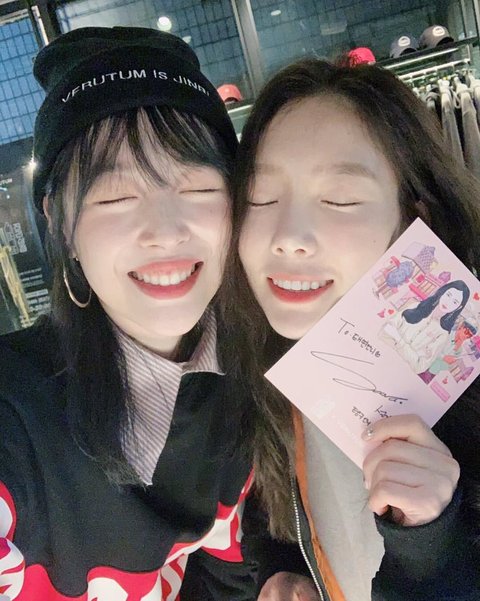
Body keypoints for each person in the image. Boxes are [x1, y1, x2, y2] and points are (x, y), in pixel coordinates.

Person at [0, 26, 308, 601]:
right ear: (59, 223)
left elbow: (224, 563)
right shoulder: (19, 416)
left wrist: (275, 576)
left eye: (197, 189)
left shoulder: (251, 372)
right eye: (116, 197)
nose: (165, 232)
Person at [229, 58, 480, 600]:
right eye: (260, 198)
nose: (287, 236)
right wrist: (281, 566)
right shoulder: (264, 361)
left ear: (415, 218)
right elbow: (271, 502)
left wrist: (431, 540)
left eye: (339, 200)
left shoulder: (470, 365)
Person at [380, 280, 470, 374]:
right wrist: (411, 354)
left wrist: (397, 337)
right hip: (381, 353)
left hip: (399, 372)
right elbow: (384, 331)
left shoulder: (442, 334)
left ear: (459, 307)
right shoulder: (416, 306)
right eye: (448, 295)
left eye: (455, 302)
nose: (448, 302)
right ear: (443, 292)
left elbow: (420, 367)